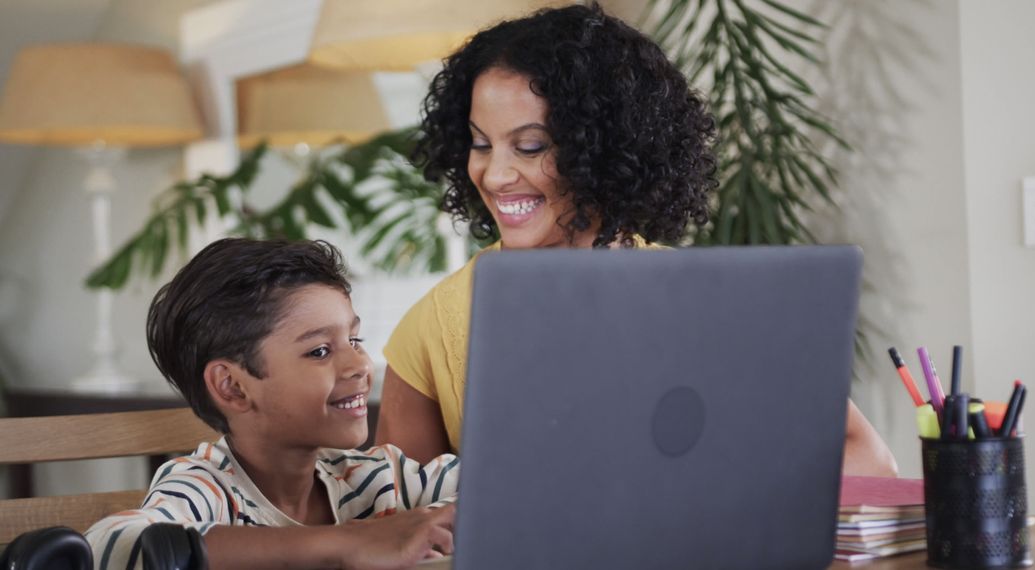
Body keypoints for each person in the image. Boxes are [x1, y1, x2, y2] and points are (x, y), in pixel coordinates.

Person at [376, 3, 898, 478]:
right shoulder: (435, 326)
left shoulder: (710, 304)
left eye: (531, 146)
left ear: (602, 149)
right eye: (481, 144)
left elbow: (868, 461)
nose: (494, 175)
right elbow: (395, 522)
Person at [85, 239, 458, 570]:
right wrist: (348, 543)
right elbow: (108, 547)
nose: (360, 365)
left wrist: (429, 521)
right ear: (232, 386)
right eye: (320, 351)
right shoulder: (206, 488)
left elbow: (505, 488)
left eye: (355, 339)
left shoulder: (376, 480)